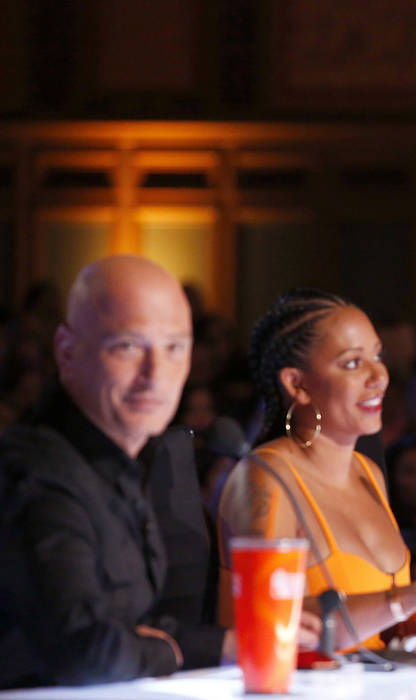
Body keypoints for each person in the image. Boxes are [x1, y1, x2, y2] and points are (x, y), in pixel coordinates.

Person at [0, 257, 309, 688]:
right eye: (127, 346)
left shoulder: (123, 458)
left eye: (174, 348)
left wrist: (231, 644)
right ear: (67, 352)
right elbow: (82, 650)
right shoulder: (37, 472)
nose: (155, 376)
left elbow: (127, 622)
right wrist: (166, 652)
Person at [218, 289, 416, 651]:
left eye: (377, 356)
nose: (379, 376)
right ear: (297, 384)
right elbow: (268, 622)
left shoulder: (369, 473)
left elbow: (372, 616)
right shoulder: (265, 477)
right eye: (353, 363)